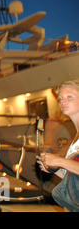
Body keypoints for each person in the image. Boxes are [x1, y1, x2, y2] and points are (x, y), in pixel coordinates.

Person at [37, 79, 79, 210]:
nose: (63, 101)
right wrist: (55, 168)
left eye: (69, 97)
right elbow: (73, 176)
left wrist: (59, 161)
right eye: (60, 99)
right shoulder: (76, 137)